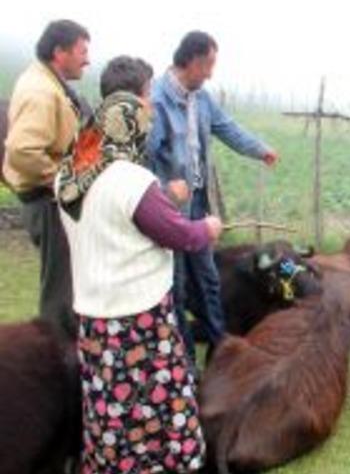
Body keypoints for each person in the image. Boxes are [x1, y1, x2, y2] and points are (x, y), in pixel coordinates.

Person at [55, 56, 220, 473]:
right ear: (129, 117)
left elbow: (114, 220)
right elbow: (180, 236)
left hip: (94, 314)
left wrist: (166, 199)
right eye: (145, 103)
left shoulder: (74, 172)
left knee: (111, 403)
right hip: (138, 317)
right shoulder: (132, 180)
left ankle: (115, 464)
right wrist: (208, 228)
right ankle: (171, 462)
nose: (150, 111)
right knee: (159, 398)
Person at [146, 30, 278, 358]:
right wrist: (163, 191)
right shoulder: (157, 100)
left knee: (208, 280)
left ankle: (222, 351)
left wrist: (259, 149)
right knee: (174, 287)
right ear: (190, 61)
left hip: (198, 208)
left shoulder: (201, 99)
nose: (210, 73)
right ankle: (185, 361)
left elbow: (227, 127)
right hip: (169, 212)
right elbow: (143, 159)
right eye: (207, 64)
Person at [2, 19, 91, 338]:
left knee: (67, 287)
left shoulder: (50, 83)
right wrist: (65, 180)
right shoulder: (41, 91)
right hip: (48, 202)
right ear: (60, 52)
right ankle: (55, 361)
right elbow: (22, 150)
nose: (88, 59)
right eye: (82, 51)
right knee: (60, 295)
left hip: (51, 200)